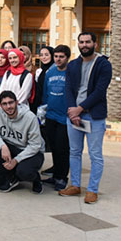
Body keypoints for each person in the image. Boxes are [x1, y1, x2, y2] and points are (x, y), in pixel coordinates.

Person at [59, 32, 112, 204]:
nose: (84, 45)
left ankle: (92, 190)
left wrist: (79, 109)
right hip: (74, 116)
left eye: (88, 42)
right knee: (74, 152)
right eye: (81, 42)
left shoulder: (103, 64)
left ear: (95, 44)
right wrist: (72, 111)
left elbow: (99, 91)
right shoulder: (73, 65)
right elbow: (68, 89)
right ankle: (75, 185)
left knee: (95, 154)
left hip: (94, 117)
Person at [0, 91, 45, 194]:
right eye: (5, 104)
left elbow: (35, 145)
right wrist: (3, 146)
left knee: (23, 172)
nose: (8, 106)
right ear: (0, 105)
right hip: (11, 147)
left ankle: (36, 179)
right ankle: (11, 177)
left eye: (11, 102)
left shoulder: (30, 117)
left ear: (17, 102)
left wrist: (16, 160)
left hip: (32, 152)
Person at [41, 44, 70, 191]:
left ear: (67, 58)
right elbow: (46, 93)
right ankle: (55, 175)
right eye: (56, 56)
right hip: (50, 115)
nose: (58, 59)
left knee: (62, 148)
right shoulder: (50, 72)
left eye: (61, 57)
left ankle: (62, 177)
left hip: (64, 118)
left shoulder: (71, 73)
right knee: (53, 147)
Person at [32, 46, 54, 115]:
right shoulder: (39, 71)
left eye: (46, 55)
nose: (43, 57)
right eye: (41, 55)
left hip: (51, 103)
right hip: (40, 104)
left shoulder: (55, 70)